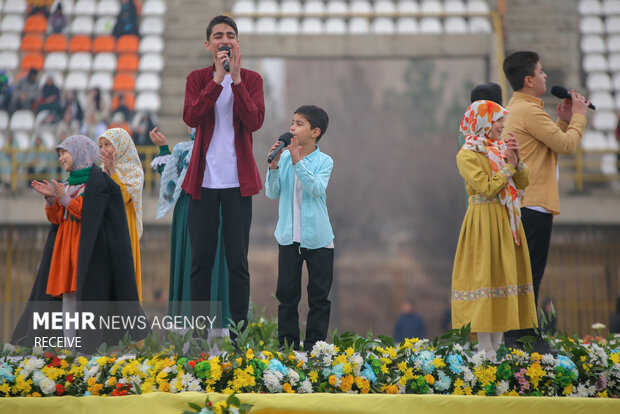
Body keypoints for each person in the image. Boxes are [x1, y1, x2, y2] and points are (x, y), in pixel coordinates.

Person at [11, 135, 146, 352]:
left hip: (87, 254)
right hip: (65, 252)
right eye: (59, 154)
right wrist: (52, 200)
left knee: (84, 300)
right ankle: (69, 350)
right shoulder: (68, 184)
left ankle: (83, 352)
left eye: (64, 152)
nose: (61, 158)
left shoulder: (99, 183)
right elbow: (57, 219)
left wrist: (65, 199)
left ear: (80, 152)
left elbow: (90, 213)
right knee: (67, 299)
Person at [182, 15, 265, 335]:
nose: (225, 40)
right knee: (201, 263)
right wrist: (217, 80)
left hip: (237, 185)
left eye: (231, 35)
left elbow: (254, 120)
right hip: (203, 183)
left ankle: (238, 335)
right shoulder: (196, 78)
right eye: (218, 35)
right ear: (208, 44)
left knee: (238, 264)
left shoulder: (253, 80)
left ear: (238, 43)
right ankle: (199, 335)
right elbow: (191, 116)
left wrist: (237, 80)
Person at [502, 51, 589, 349]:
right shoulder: (529, 112)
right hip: (534, 202)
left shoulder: (518, 109)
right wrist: (578, 116)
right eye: (540, 72)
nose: (545, 76)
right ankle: (524, 335)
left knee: (527, 272)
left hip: (527, 202)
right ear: (528, 80)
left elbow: (547, 146)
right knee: (531, 273)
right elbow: (565, 146)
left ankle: (522, 333)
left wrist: (563, 121)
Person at [451, 100, 537, 361]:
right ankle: (484, 352)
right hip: (483, 221)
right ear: (483, 123)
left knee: (502, 279)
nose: (502, 125)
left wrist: (517, 160)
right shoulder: (467, 154)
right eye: (498, 120)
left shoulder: (500, 149)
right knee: (484, 280)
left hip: (506, 219)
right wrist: (509, 167)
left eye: (502, 120)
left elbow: (523, 182)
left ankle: (496, 352)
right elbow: (487, 187)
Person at [148, 126, 231, 330]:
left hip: (215, 209)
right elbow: (172, 180)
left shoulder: (223, 148)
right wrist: (164, 149)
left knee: (212, 263)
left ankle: (216, 326)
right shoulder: (182, 149)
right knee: (189, 262)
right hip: (186, 210)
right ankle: (188, 328)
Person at [266, 105, 334, 352]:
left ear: (315, 132)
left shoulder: (324, 161)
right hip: (287, 238)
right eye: (292, 122)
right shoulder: (283, 158)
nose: (292, 128)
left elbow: (316, 190)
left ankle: (315, 350)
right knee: (286, 297)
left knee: (318, 298)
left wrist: (298, 163)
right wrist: (273, 167)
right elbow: (272, 193)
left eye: (299, 123)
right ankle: (288, 349)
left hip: (319, 239)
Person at [98, 128, 144, 300]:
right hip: (105, 229)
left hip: (124, 229)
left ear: (121, 145)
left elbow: (122, 196)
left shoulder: (134, 171)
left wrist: (112, 172)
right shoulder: (99, 172)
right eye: (101, 145)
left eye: (108, 144)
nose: (103, 149)